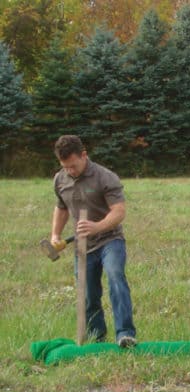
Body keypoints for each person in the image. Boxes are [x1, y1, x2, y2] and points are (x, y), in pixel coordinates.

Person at [50, 135, 137, 347]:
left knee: (115, 276)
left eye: (73, 165)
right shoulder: (60, 180)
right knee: (88, 292)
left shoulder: (105, 177)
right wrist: (55, 235)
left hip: (110, 239)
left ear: (84, 155)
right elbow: (61, 208)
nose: (70, 171)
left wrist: (97, 226)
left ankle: (125, 334)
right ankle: (97, 338)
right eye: (65, 167)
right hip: (83, 246)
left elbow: (119, 211)